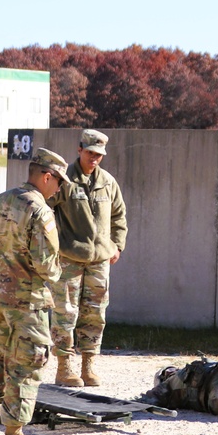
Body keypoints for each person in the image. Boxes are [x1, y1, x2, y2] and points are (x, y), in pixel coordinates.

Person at [0, 148, 68, 435]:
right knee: (27, 364)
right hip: (29, 302)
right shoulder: (40, 210)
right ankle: (14, 433)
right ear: (46, 176)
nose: (59, 189)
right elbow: (47, 266)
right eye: (59, 182)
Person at [47, 129, 128, 387]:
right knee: (65, 312)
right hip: (69, 258)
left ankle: (88, 364)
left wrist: (117, 246)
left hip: (99, 261)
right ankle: (64, 367)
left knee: (95, 313)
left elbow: (119, 216)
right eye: (90, 153)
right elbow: (45, 210)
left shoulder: (107, 182)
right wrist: (54, 244)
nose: (94, 159)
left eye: (99, 155)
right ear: (79, 149)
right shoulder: (65, 179)